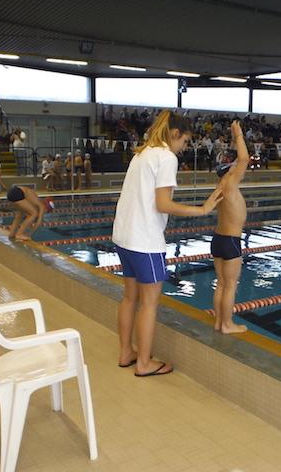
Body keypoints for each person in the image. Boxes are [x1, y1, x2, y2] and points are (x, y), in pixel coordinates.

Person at [112, 111, 223, 377]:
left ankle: (127, 352)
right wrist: (202, 209)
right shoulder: (166, 157)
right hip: (145, 241)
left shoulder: (141, 154)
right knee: (149, 304)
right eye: (184, 141)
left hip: (123, 236)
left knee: (129, 298)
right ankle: (144, 363)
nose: (183, 148)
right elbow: (163, 204)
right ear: (175, 134)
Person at [211, 121, 250, 334]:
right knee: (231, 285)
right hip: (231, 242)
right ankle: (227, 324)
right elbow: (244, 158)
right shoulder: (231, 183)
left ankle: (219, 322)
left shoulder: (220, 186)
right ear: (231, 170)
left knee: (221, 283)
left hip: (218, 239)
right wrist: (239, 135)